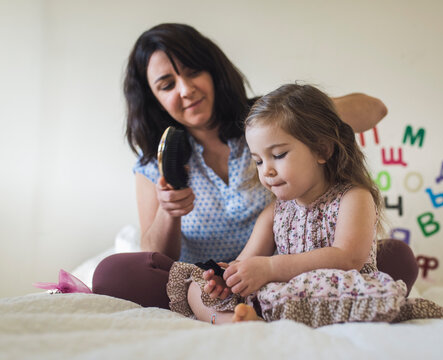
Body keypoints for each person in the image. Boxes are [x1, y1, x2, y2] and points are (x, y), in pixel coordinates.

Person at [92, 23, 418, 309]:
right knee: (112, 273)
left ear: (213, 71)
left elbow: (375, 109)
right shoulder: (155, 161)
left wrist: (301, 115)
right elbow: (156, 255)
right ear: (153, 98)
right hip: (215, 271)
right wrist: (170, 211)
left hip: (294, 265)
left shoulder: (264, 127)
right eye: (167, 84)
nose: (186, 89)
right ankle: (221, 303)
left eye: (193, 72)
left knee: (394, 256)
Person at [165, 84, 443, 327]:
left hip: (332, 289)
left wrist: (271, 268)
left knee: (314, 289)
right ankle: (233, 322)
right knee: (193, 283)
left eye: (278, 155)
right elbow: (246, 262)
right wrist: (228, 280)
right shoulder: (273, 212)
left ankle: (254, 317)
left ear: (322, 150)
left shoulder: (354, 197)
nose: (266, 172)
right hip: (278, 294)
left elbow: (348, 258)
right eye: (259, 161)